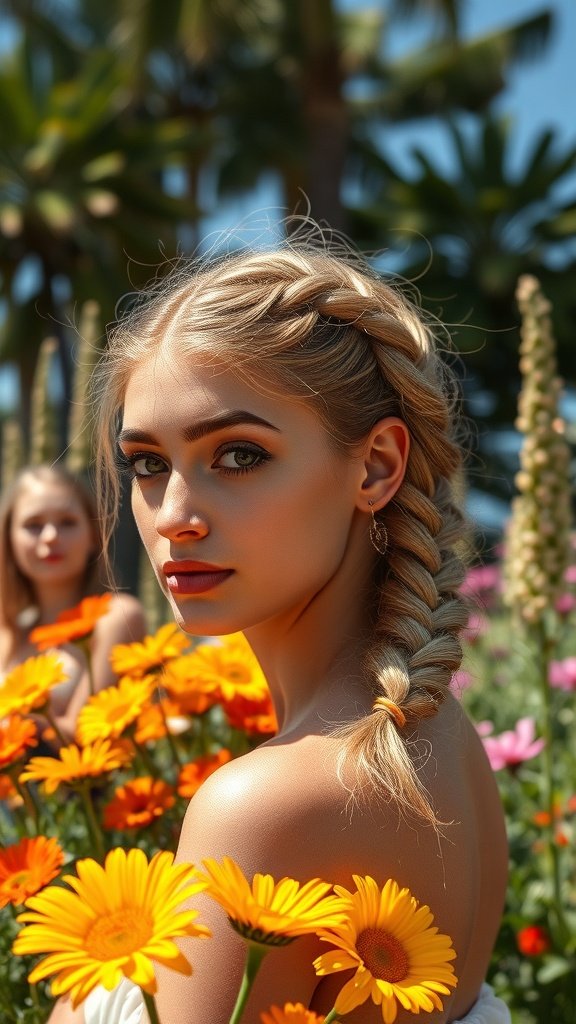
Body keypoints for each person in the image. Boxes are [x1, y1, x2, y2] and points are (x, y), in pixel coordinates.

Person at [50, 228, 508, 1023]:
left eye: (238, 456)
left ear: (376, 468)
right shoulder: (442, 743)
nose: (175, 518)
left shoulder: (266, 807)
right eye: (149, 464)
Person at [0, 464, 147, 741]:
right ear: (9, 540)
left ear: (93, 535)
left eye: (67, 522)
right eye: (33, 525)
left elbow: (83, 734)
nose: (51, 536)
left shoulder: (116, 617)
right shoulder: (8, 631)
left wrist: (14, 715)